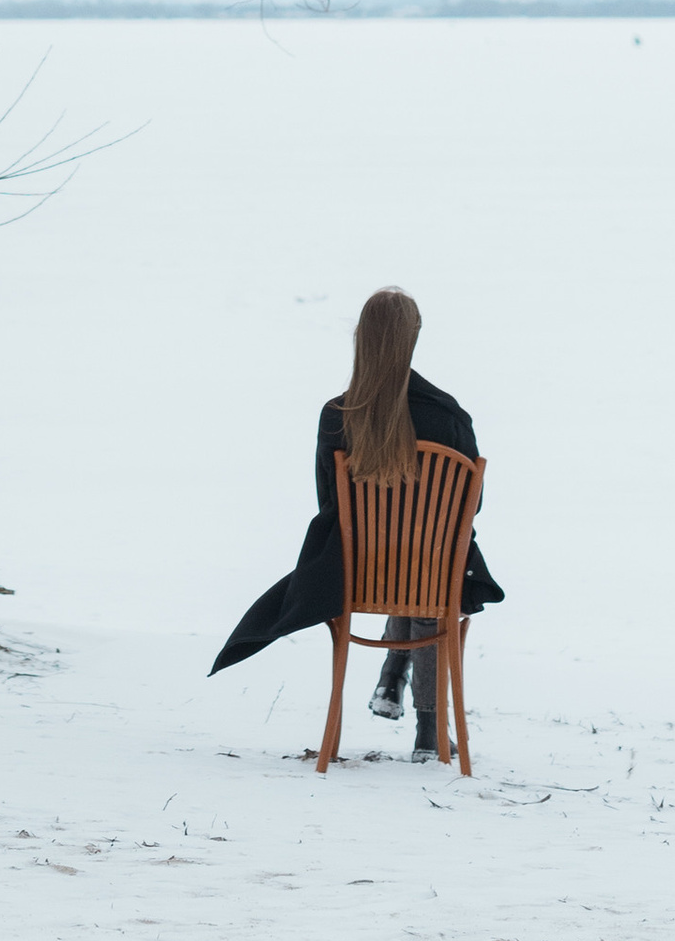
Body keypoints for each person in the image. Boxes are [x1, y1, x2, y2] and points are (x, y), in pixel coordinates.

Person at [209, 285, 502, 754]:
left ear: (361, 337)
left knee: (412, 568)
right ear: (414, 338)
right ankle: (428, 733)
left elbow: (329, 501)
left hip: (355, 576)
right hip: (433, 576)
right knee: (430, 570)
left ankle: (392, 678)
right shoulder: (448, 415)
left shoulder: (337, 415)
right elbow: (473, 504)